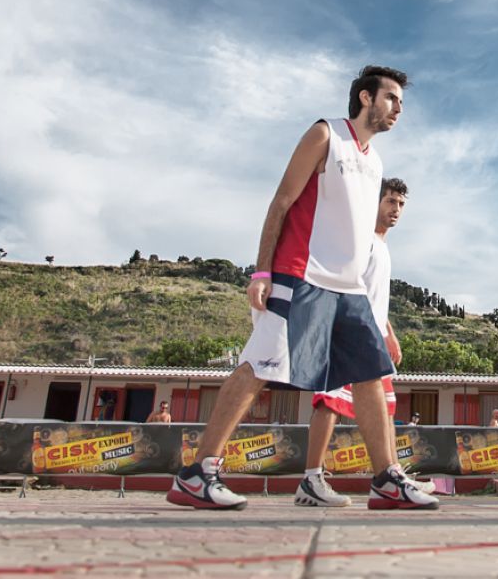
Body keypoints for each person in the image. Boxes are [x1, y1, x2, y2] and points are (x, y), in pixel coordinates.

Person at [166, 65, 436, 511]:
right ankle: (199, 472)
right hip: (301, 275)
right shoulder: (325, 134)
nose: (398, 109)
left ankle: (386, 480)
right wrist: (262, 270)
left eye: (401, 103)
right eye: (391, 98)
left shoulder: (376, 162)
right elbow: (283, 200)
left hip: (349, 289)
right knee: (259, 366)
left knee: (372, 372)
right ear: (366, 98)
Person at [295, 178, 434, 507]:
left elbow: (373, 298)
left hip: (371, 337)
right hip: (344, 333)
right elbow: (343, 285)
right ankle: (311, 478)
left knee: (385, 410)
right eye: (389, 201)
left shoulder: (382, 246)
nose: (395, 209)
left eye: (400, 204)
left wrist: (389, 332)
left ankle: (391, 475)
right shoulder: (361, 241)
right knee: (329, 403)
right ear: (374, 202)